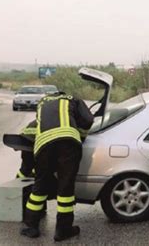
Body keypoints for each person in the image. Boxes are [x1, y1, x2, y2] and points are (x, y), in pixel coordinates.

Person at [21, 92, 94, 241]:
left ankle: (31, 227)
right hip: (68, 144)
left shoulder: (42, 102)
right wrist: (82, 137)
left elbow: (37, 124)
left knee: (40, 186)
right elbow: (88, 120)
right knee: (65, 188)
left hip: (44, 146)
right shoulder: (73, 99)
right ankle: (63, 230)